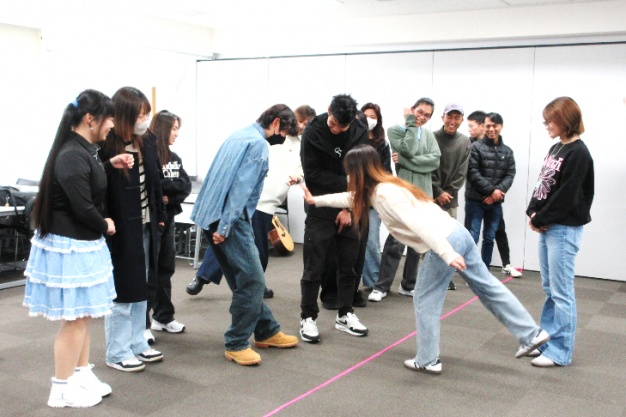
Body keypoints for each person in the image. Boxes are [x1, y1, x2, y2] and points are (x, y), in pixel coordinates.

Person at [303, 144, 550, 374]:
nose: (347, 177)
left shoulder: (386, 195)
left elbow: (419, 226)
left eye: (349, 172)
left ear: (358, 172)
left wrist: (447, 253)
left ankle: (428, 359)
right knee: (488, 287)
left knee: (425, 298)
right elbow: (351, 197)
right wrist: (316, 200)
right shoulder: (382, 187)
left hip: (444, 240)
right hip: (456, 233)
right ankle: (531, 335)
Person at [23, 89, 134, 407]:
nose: (112, 125)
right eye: (109, 118)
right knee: (74, 320)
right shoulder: (72, 153)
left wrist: (109, 164)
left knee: (83, 315)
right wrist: (105, 223)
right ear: (90, 119)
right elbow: (82, 206)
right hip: (70, 245)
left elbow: (86, 180)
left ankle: (81, 373)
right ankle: (60, 389)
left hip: (82, 244)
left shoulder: (83, 150)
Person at [190, 104, 299, 366]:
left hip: (212, 214)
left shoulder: (238, 135)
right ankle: (237, 342)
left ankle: (266, 330)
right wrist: (225, 226)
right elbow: (240, 190)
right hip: (230, 218)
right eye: (284, 132)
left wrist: (217, 223)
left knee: (242, 280)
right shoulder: (258, 145)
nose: (283, 138)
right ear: (276, 123)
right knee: (253, 282)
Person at [186, 105, 315, 298]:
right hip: (255, 200)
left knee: (248, 246)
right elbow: (246, 178)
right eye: (301, 122)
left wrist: (298, 176)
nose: (303, 126)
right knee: (231, 241)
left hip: (270, 202)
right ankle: (207, 278)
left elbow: (301, 167)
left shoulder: (301, 144)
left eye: (307, 123)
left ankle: (252, 286)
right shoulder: (266, 139)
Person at [100, 87, 166, 372]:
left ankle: (138, 342)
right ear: (124, 115)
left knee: (143, 285)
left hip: (146, 223)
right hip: (120, 228)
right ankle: (117, 351)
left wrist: (160, 215)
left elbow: (155, 181)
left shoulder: (147, 141)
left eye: (146, 114)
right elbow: (97, 187)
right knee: (123, 289)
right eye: (140, 115)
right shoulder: (106, 144)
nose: (144, 120)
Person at [526, 97, 594, 368]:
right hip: (548, 225)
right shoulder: (556, 147)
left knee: (562, 292)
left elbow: (567, 195)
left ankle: (560, 351)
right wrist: (532, 211)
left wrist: (541, 218)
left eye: (550, 121)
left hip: (563, 229)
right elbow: (544, 183)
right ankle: (547, 342)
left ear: (565, 120)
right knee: (550, 288)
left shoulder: (579, 153)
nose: (546, 126)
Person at [299, 94, 369, 344]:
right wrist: (344, 188)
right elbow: (313, 174)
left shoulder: (359, 131)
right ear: (328, 110)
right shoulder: (312, 132)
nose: (337, 129)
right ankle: (308, 317)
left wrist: (347, 207)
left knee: (349, 265)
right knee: (314, 267)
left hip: (349, 207)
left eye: (342, 126)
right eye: (333, 123)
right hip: (319, 206)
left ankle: (345, 313)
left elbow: (360, 172)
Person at [369, 98, 440, 302]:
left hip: (423, 195)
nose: (422, 117)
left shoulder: (428, 135)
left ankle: (408, 285)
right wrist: (410, 122)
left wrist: (408, 161)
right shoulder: (396, 130)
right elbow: (408, 148)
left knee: (417, 241)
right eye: (419, 112)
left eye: (427, 115)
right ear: (412, 110)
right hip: (403, 193)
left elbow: (435, 161)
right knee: (396, 240)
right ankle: (381, 286)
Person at [149, 110, 191, 334]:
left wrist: (169, 195)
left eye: (177, 129)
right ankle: (142, 324)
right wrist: (165, 190)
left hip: (169, 218)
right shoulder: (148, 155)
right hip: (152, 222)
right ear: (163, 129)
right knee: (149, 271)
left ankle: (163, 317)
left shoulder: (174, 158)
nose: (176, 133)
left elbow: (186, 185)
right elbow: (153, 185)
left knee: (166, 269)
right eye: (174, 129)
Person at [468, 110, 522, 278]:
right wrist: (491, 191)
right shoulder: (475, 147)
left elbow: (510, 174)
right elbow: (473, 173)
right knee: (472, 237)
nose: (491, 129)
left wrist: (496, 194)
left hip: (496, 202)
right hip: (475, 201)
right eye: (488, 126)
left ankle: (484, 272)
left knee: (490, 238)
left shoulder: (508, 151)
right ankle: (471, 273)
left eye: (495, 126)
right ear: (484, 126)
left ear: (501, 126)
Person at [431, 103, 470, 291]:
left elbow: (462, 172)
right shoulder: (431, 137)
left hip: (450, 200)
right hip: (430, 197)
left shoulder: (464, 141)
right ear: (442, 118)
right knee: (429, 238)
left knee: (449, 239)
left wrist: (448, 193)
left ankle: (445, 278)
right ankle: (430, 276)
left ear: (462, 120)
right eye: (449, 116)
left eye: (457, 117)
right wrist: (438, 191)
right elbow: (427, 168)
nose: (452, 121)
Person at [360, 103, 392, 290]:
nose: (369, 120)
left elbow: (386, 172)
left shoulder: (382, 143)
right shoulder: (354, 138)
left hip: (373, 199)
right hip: (353, 197)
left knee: (372, 242)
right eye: (366, 116)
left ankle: (373, 282)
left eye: (373, 116)